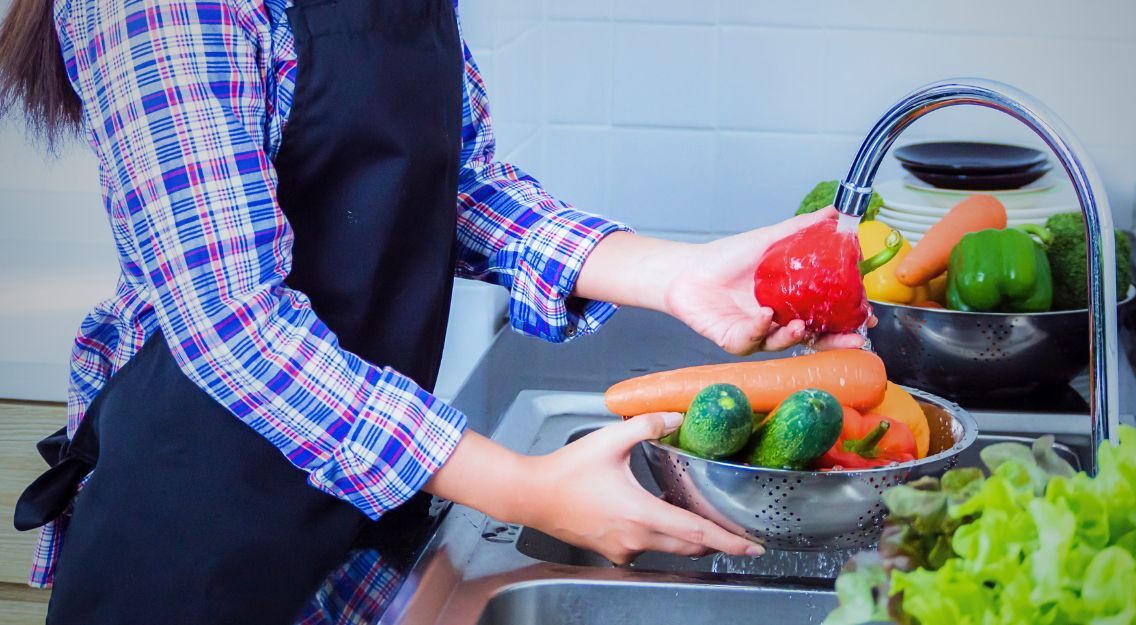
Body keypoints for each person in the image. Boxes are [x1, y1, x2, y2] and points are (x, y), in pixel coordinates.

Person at [0, 0, 863, 622]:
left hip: (360, 510)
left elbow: (459, 189)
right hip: (192, 542)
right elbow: (234, 325)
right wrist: (525, 487)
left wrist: (677, 275)